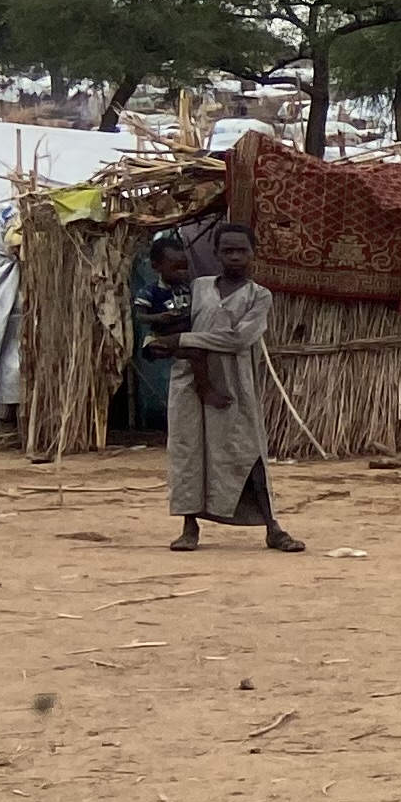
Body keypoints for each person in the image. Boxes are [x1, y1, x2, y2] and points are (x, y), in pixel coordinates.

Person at [156, 221, 303, 554]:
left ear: (253, 254)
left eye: (242, 250)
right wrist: (172, 341)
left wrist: (181, 339)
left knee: (249, 452)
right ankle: (189, 527)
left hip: (236, 383)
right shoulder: (197, 288)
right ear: (217, 254)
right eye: (228, 251)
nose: (235, 257)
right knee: (189, 451)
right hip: (190, 381)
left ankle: (273, 528)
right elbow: (172, 321)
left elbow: (239, 339)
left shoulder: (258, 296)